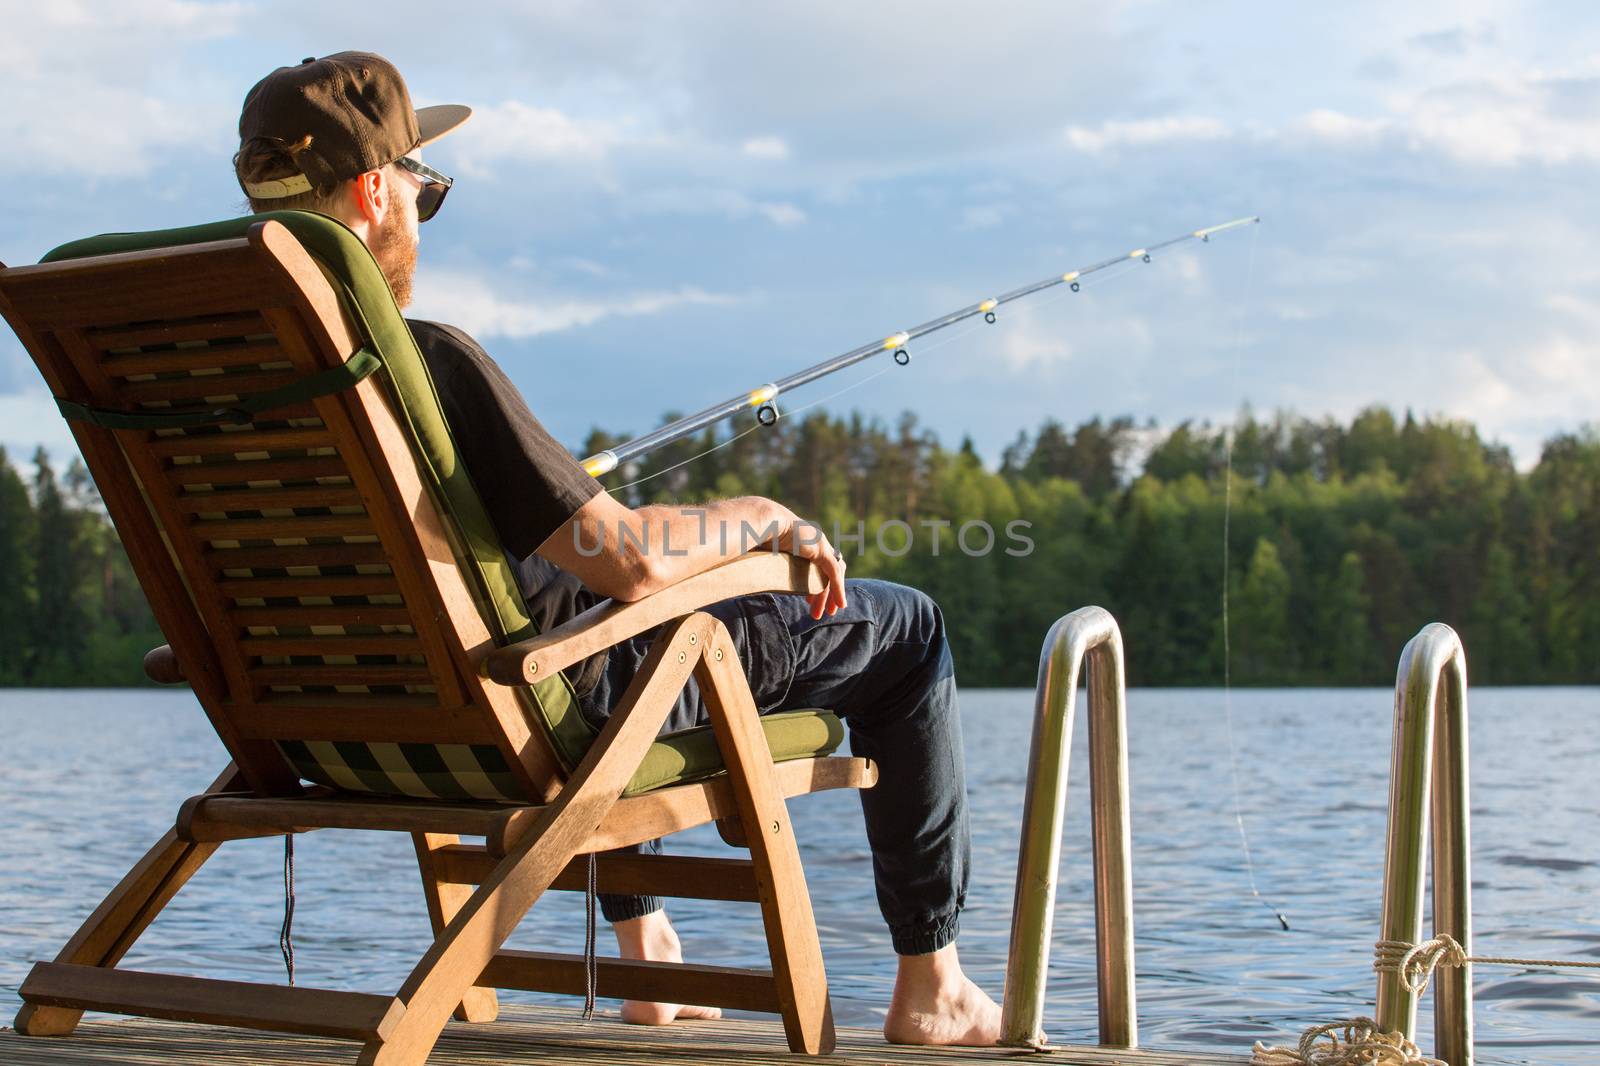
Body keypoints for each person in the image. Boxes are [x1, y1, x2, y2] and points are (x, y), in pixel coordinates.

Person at [233, 51, 1001, 1046]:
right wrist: (763, 516)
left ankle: (646, 955)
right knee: (904, 631)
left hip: (323, 719)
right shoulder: (424, 364)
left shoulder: (230, 385)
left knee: (568, 609)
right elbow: (631, 561)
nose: (424, 206)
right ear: (376, 190)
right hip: (555, 702)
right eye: (427, 187)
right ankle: (932, 983)